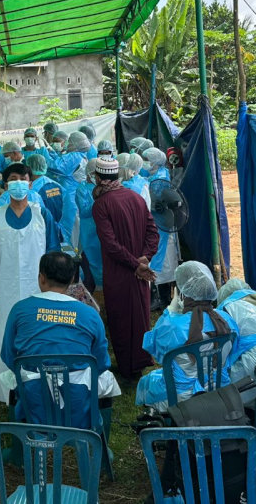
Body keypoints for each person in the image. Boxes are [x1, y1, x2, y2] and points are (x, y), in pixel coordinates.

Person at [1, 252, 119, 427]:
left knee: (13, 375)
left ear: (41, 278)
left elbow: (8, 355)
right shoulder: (90, 314)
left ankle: (21, 447)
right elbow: (100, 363)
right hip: (79, 400)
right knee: (107, 380)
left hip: (33, 398)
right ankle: (99, 445)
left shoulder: (20, 309)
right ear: (72, 279)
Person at [0, 162, 62, 402]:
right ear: (5, 185)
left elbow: (53, 253)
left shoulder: (41, 214)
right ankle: (9, 393)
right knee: (8, 336)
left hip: (40, 290)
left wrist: (56, 290)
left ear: (31, 184)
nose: (19, 183)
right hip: (8, 292)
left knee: (41, 336)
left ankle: (43, 390)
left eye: (24, 179)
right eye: (14, 179)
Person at [136, 262, 240, 409]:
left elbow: (155, 351)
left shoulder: (172, 325)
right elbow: (232, 353)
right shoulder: (226, 320)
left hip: (180, 396)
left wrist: (170, 311)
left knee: (146, 382)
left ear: (182, 293)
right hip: (218, 388)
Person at [91, 156, 159, 381]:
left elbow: (110, 245)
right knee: (139, 314)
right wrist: (144, 259)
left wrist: (134, 264)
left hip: (120, 271)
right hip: (138, 270)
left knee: (120, 318)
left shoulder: (101, 204)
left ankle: (128, 368)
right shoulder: (135, 197)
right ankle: (139, 361)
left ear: (99, 178)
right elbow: (153, 233)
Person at [143, 147, 178, 301]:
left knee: (164, 263)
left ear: (155, 163)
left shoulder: (160, 179)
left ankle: (162, 297)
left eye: (147, 160)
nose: (145, 163)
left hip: (162, 224)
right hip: (158, 225)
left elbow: (156, 199)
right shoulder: (154, 174)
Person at [47, 131, 90, 244]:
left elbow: (57, 167)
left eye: (69, 141)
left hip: (69, 197)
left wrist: (45, 155)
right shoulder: (80, 156)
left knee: (69, 226)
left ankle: (69, 252)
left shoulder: (74, 156)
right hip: (73, 194)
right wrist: (54, 154)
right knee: (74, 225)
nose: (67, 144)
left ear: (75, 144)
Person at [75, 158, 103, 287]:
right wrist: (98, 201)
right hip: (89, 234)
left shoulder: (103, 187)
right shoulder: (82, 189)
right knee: (89, 266)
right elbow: (85, 211)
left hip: (102, 233)